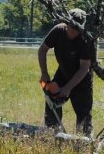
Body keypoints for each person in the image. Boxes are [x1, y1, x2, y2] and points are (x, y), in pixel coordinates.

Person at [38, 8, 93, 137]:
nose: (73, 32)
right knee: (52, 102)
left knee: (83, 115)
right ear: (66, 23)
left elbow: (84, 68)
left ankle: (84, 142)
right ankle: (53, 134)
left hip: (82, 79)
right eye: (70, 27)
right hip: (63, 72)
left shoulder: (86, 40)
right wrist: (44, 73)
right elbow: (42, 50)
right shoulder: (58, 31)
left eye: (76, 30)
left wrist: (68, 88)